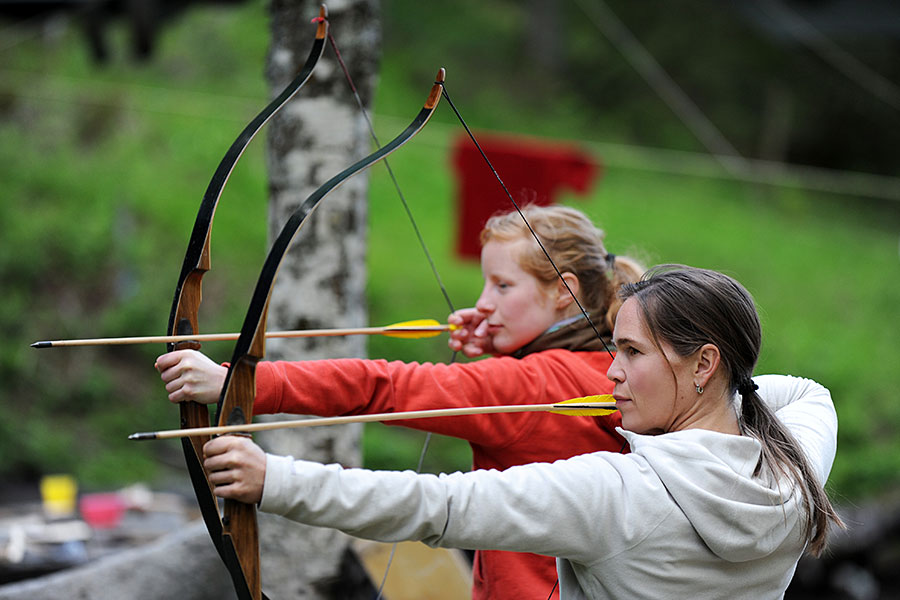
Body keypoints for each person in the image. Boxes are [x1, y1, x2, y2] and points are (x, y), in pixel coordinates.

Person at [199, 265, 843, 599]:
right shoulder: (794, 466)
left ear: (704, 363)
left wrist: (275, 480)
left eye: (632, 354)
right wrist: (715, 399)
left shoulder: (620, 492)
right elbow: (806, 392)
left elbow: (436, 505)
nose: (610, 372)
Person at [156, 204, 645, 600]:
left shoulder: (535, 384)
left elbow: (383, 386)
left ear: (564, 292)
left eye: (502, 286)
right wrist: (507, 345)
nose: (485, 301)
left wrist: (235, 384)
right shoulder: (610, 367)